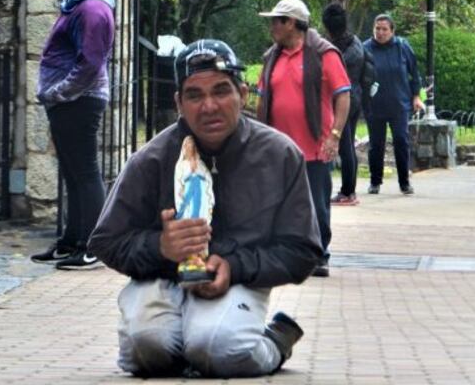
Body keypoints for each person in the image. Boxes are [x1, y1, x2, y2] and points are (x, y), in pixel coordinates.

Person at [88, 39, 322, 378]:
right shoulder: (151, 160)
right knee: (145, 347)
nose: (209, 106)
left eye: (221, 91)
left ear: (243, 94)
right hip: (162, 276)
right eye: (195, 95)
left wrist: (234, 266)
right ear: (179, 103)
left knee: (216, 345)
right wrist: (160, 247)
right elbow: (105, 241)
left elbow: (304, 251)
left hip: (238, 280)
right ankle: (188, 351)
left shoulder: (279, 156)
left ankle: (273, 342)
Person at [30, 0, 115, 270]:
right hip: (69, 102)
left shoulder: (93, 9)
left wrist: (59, 92)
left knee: (85, 172)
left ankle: (93, 246)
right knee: (73, 172)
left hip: (79, 101)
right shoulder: (77, 4)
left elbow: (90, 63)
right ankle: (72, 241)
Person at [256, 0, 351, 278]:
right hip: (278, 148)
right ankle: (288, 254)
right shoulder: (271, 57)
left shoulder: (323, 54)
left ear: (292, 24)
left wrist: (334, 135)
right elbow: (262, 98)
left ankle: (319, 255)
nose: (272, 26)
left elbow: (343, 95)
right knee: (280, 205)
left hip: (314, 147)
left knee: (316, 206)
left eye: (277, 21)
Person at [321, 2, 376, 206]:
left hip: (343, 102)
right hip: (356, 98)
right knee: (348, 146)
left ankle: (347, 192)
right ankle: (348, 191)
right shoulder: (355, 43)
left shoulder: (335, 51)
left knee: (345, 147)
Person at [363, 13, 424, 195]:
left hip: (399, 104)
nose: (380, 33)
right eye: (377, 29)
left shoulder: (402, 47)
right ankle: (375, 181)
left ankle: (404, 182)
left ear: (392, 31)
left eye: (384, 29)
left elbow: (414, 73)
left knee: (401, 140)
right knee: (376, 144)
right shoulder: (365, 48)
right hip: (375, 105)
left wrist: (416, 96)